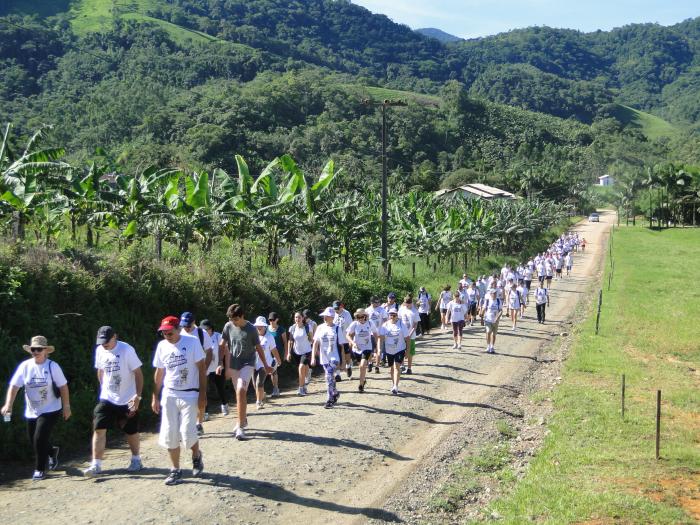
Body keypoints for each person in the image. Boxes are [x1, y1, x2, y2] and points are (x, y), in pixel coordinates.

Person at [2, 336, 70, 481]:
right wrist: (8, 404)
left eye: (39, 349)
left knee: (39, 438)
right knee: (34, 439)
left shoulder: (52, 366)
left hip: (51, 408)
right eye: (33, 349)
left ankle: (40, 469)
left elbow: (63, 386)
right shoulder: (25, 366)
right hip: (32, 410)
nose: (36, 352)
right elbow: (14, 386)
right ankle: (52, 451)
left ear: (46, 351)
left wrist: (67, 406)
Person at [151, 316, 206, 485]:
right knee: (170, 433)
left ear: (178, 329)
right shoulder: (162, 346)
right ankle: (175, 469)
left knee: (188, 432)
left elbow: (202, 369)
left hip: (190, 394)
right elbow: (159, 373)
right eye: (164, 333)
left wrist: (203, 396)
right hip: (170, 394)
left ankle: (196, 455)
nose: (167, 335)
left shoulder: (192, 342)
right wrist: (155, 396)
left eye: (170, 332)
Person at [83, 326, 144, 477]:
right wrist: (104, 388)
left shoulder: (126, 350)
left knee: (131, 430)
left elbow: (138, 374)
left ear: (115, 336)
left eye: (107, 341)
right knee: (99, 427)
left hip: (128, 397)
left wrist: (137, 396)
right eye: (101, 341)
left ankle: (136, 459)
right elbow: (100, 370)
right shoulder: (99, 350)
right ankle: (96, 464)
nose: (104, 344)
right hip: (107, 397)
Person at [220, 304, 273, 440]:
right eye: (231, 319)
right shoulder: (228, 326)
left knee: (241, 391)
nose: (233, 322)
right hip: (234, 364)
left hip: (248, 363)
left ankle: (240, 427)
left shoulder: (251, 329)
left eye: (236, 319)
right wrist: (221, 364)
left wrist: (266, 365)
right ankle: (242, 419)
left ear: (242, 316)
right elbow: (222, 345)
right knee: (239, 395)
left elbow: (259, 348)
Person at [180, 312, 213, 435]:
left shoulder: (201, 333)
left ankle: (199, 423)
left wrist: (204, 369)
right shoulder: (179, 333)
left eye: (188, 325)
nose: (186, 328)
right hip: (184, 371)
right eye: (184, 326)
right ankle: (186, 423)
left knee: (201, 396)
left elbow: (209, 352)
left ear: (194, 322)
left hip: (200, 370)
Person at [311, 307, 341, 409]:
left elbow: (342, 345)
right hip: (324, 358)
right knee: (331, 378)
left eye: (327, 316)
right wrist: (313, 357)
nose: (325, 317)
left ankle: (330, 399)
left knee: (328, 376)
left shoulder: (337, 328)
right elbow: (315, 343)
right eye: (324, 316)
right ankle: (335, 393)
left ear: (332, 317)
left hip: (334, 357)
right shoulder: (320, 328)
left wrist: (344, 360)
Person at [347, 308, 379, 393]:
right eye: (358, 317)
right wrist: (353, 343)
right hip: (357, 349)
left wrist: (376, 346)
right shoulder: (354, 324)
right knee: (360, 366)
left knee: (362, 365)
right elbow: (348, 335)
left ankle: (361, 385)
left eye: (362, 316)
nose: (360, 318)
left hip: (367, 347)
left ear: (365, 316)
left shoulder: (370, 323)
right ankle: (363, 379)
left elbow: (375, 334)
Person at [200, 319, 228, 416]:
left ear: (211, 329)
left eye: (206, 329)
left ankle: (224, 404)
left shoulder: (218, 336)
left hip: (217, 366)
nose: (204, 331)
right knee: (204, 389)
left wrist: (224, 365)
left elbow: (225, 350)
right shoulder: (199, 338)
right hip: (205, 368)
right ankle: (206, 412)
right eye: (202, 329)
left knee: (220, 387)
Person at [253, 317, 282, 409]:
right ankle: (262, 395)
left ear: (265, 326)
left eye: (261, 325)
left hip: (265, 364)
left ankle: (259, 402)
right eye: (258, 325)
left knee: (259, 383)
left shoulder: (269, 337)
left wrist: (278, 360)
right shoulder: (253, 336)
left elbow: (274, 349)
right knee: (255, 385)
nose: (259, 327)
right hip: (254, 363)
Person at [380, 310, 410, 395]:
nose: (392, 317)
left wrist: (407, 351)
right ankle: (394, 384)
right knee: (391, 368)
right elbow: (381, 338)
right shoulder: (385, 325)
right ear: (388, 315)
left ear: (397, 316)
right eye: (390, 315)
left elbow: (407, 339)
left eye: (394, 315)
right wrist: (379, 350)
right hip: (389, 350)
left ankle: (396, 386)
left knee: (397, 366)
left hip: (399, 349)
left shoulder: (401, 325)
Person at [287, 312, 313, 396]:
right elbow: (290, 341)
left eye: (299, 317)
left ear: (302, 318)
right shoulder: (292, 328)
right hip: (296, 352)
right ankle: (305, 382)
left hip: (306, 351)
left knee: (301, 367)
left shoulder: (308, 327)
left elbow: (311, 339)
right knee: (303, 370)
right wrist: (288, 353)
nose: (297, 319)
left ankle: (301, 388)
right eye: (295, 317)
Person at [266, 312, 287, 397]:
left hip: (277, 353)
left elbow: (285, 342)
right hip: (268, 353)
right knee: (272, 371)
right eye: (270, 320)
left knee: (273, 370)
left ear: (277, 320)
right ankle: (275, 388)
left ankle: (276, 389)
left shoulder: (281, 329)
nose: (271, 321)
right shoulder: (266, 329)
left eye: (273, 320)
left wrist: (286, 353)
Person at [365, 296, 387, 373]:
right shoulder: (367, 310)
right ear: (372, 302)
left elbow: (385, 321)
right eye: (376, 302)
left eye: (378, 302)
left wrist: (384, 330)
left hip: (379, 333)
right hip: (369, 333)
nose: (378, 303)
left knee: (379, 349)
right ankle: (370, 363)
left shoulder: (382, 309)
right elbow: (364, 322)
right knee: (369, 350)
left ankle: (377, 366)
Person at [332, 300, 353, 381]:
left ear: (341, 306)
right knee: (337, 356)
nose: (336, 310)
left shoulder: (346, 313)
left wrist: (351, 338)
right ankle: (337, 374)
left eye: (337, 308)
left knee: (347, 355)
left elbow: (351, 326)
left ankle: (348, 366)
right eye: (335, 308)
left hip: (345, 338)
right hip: (336, 339)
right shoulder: (333, 314)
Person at [399, 296, 419, 374]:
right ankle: (402, 366)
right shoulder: (401, 310)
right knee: (401, 350)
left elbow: (415, 325)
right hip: (402, 334)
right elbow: (399, 321)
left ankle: (409, 368)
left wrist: (409, 334)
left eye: (408, 304)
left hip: (411, 335)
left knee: (410, 352)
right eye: (406, 303)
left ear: (411, 303)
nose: (407, 305)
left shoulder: (414, 311)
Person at [481, 289, 503, 354]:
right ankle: (488, 346)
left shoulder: (498, 301)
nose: (494, 295)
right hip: (488, 319)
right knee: (488, 332)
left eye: (495, 293)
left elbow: (501, 310)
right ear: (490, 294)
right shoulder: (487, 301)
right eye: (493, 293)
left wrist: (497, 317)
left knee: (494, 334)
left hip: (496, 321)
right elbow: (484, 308)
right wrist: (481, 317)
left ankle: (492, 347)